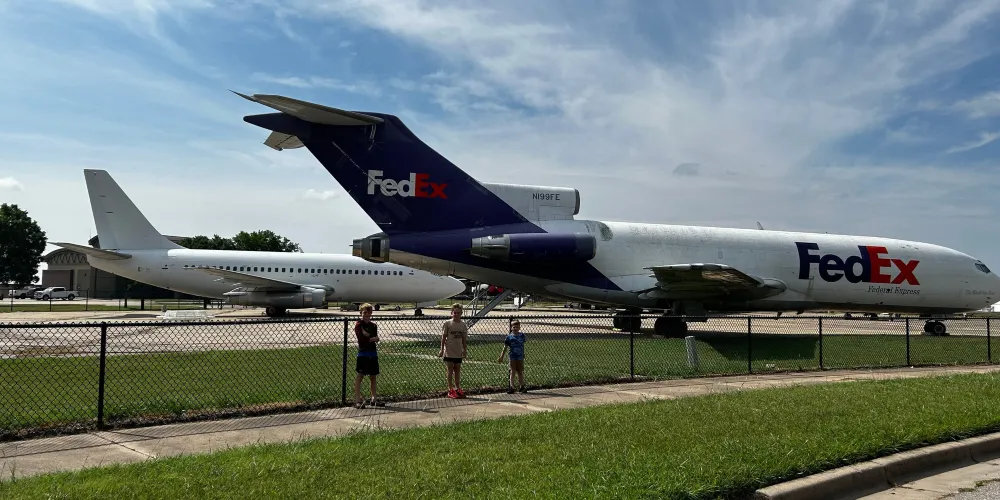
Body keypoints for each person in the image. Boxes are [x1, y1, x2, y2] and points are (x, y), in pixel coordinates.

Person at [353, 303, 384, 408]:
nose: (366, 315)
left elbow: (375, 337)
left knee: (373, 376)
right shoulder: (359, 325)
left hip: (372, 353)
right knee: (360, 376)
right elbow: (362, 340)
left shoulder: (373, 326)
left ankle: (374, 399)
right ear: (361, 313)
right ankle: (357, 400)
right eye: (364, 312)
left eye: (369, 312)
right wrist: (371, 339)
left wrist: (368, 337)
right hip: (363, 353)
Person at [438, 303, 468, 399]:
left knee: (457, 369)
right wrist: (441, 349)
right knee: (450, 369)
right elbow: (443, 337)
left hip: (458, 350)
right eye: (455, 313)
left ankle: (458, 388)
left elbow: (464, 339)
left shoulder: (463, 325)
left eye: (458, 313)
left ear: (461, 313)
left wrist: (464, 350)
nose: (456, 314)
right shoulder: (448, 323)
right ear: (452, 313)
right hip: (449, 350)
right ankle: (450, 389)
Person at [498, 319, 527, 393]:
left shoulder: (522, 335)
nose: (515, 328)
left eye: (517, 327)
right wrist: (502, 356)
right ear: (511, 328)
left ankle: (521, 386)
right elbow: (505, 347)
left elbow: (522, 346)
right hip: (512, 357)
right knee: (512, 371)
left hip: (520, 357)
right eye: (514, 327)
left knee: (520, 371)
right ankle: (512, 387)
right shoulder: (509, 337)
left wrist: (523, 354)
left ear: (519, 327)